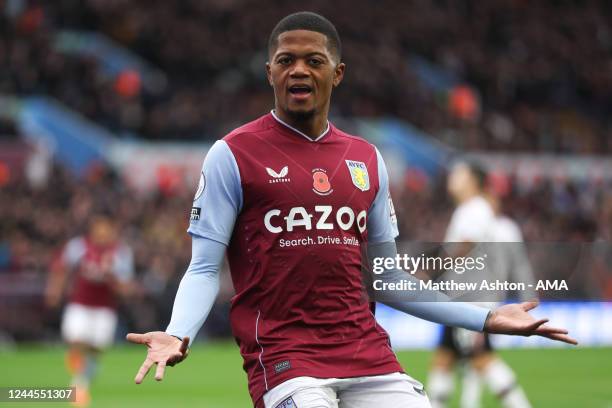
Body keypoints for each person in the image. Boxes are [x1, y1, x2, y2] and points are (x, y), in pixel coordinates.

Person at [127, 12, 576, 408]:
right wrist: (177, 330)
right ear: (269, 73)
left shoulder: (366, 159)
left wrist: (487, 318)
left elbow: (387, 279)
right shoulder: (232, 154)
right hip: (286, 361)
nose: (298, 69)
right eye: (286, 60)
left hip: (368, 354)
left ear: (337, 73)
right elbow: (204, 268)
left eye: (313, 60)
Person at [426, 162, 535, 408]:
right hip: (461, 299)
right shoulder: (471, 209)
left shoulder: (474, 209)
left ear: (472, 181)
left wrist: (429, 270)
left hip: (469, 302)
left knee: (482, 359)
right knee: (444, 359)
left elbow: (465, 244)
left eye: (459, 174)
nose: (452, 178)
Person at [45, 213, 135, 407]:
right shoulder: (78, 247)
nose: (102, 232)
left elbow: (126, 287)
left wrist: (112, 277)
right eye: (99, 228)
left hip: (105, 309)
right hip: (80, 304)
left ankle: (80, 384)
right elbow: (61, 268)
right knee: (76, 340)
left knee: (96, 349)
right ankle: (79, 384)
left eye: (106, 228)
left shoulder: (120, 253)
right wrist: (55, 290)